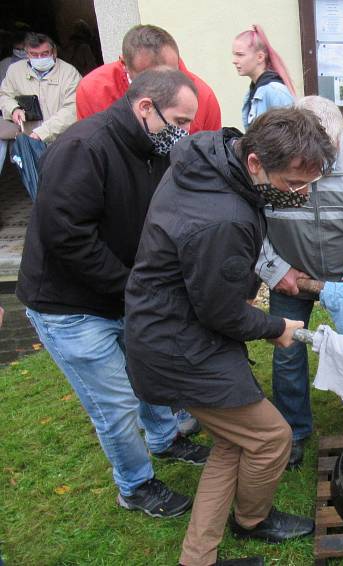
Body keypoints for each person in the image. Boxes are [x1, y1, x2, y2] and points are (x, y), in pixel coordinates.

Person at [125, 108, 337, 566]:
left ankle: (200, 556)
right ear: (257, 162)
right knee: (270, 438)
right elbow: (223, 312)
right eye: (294, 184)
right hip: (178, 347)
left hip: (176, 328)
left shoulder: (210, 155)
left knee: (235, 438)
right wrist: (277, 327)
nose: (302, 194)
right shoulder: (222, 220)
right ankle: (251, 520)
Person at [16, 68, 209, 519]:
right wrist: (132, 287)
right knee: (116, 404)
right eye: (178, 120)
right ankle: (135, 485)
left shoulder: (151, 148)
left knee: (148, 373)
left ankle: (165, 439)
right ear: (145, 107)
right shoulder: (85, 146)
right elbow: (66, 235)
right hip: (69, 307)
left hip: (123, 294)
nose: (182, 132)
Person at [256, 95, 343, 468]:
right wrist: (274, 269)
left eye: (329, 153)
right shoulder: (271, 160)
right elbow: (246, 222)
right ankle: (294, 431)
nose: (322, 165)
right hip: (290, 274)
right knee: (287, 351)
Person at [76, 24, 221, 134]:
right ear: (124, 64)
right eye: (150, 79)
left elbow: (211, 163)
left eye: (171, 74)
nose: (164, 88)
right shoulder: (93, 91)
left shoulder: (203, 97)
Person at [0, 32, 80, 142]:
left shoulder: (69, 73)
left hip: (63, 141)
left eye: (44, 53)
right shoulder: (15, 71)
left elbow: (73, 108)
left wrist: (43, 132)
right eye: (34, 54)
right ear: (27, 54)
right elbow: (4, 95)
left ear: (54, 52)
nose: (39, 58)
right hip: (30, 140)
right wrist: (13, 109)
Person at [233, 25, 295, 130]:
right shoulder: (254, 91)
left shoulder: (275, 91)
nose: (234, 60)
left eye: (240, 55)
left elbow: (293, 137)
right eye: (234, 54)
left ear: (260, 57)